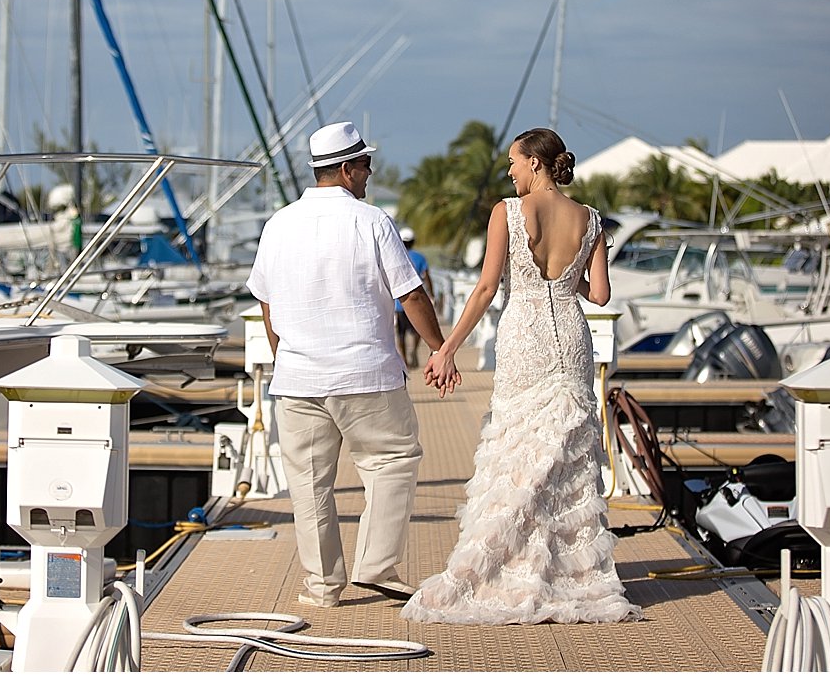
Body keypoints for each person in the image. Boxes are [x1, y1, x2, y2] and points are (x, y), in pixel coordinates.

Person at [402, 126, 639, 625]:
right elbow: (599, 297)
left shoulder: (506, 214)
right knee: (566, 458)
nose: (508, 171)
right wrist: (580, 260)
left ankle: (509, 565)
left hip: (524, 335)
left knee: (517, 451)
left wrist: (446, 348)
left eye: (513, 161)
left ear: (536, 162)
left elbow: (487, 287)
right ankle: (568, 575)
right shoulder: (592, 219)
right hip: (571, 336)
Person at [246, 121, 453, 609]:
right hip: (367, 375)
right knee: (392, 462)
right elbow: (411, 293)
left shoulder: (277, 224)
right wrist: (440, 348)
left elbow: (267, 304)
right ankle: (376, 566)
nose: (369, 174)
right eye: (365, 166)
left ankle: (323, 587)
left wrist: (286, 359)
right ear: (345, 168)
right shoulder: (371, 221)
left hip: (297, 380)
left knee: (308, 485)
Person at [394, 225, 435, 368]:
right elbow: (427, 277)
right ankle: (414, 351)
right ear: (413, 241)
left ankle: (404, 359)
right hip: (417, 299)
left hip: (399, 303)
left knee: (401, 333)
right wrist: (432, 295)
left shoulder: (395, 255)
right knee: (418, 330)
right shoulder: (420, 257)